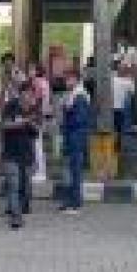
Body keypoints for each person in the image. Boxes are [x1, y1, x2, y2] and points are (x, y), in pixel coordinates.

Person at [1, 80, 39, 228]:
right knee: (13, 184)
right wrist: (22, 122)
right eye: (27, 93)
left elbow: (37, 131)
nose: (29, 96)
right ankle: (16, 217)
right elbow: (4, 125)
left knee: (25, 186)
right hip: (11, 153)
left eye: (31, 93)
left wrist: (31, 124)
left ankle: (18, 207)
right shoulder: (11, 106)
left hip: (27, 153)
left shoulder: (34, 108)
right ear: (21, 93)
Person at [59, 68, 91, 215]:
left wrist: (67, 110)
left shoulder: (80, 96)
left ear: (76, 80)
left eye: (69, 79)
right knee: (68, 170)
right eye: (66, 79)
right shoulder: (71, 96)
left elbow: (80, 120)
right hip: (70, 136)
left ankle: (75, 202)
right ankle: (68, 201)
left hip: (76, 137)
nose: (66, 82)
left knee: (75, 170)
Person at [31, 65, 52, 182]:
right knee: (37, 143)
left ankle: (40, 170)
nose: (30, 72)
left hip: (38, 116)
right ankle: (39, 170)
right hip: (41, 116)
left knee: (37, 144)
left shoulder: (38, 83)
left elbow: (37, 100)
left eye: (32, 69)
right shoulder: (45, 83)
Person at [112, 61, 134, 147]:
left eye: (123, 68)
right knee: (115, 129)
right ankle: (115, 146)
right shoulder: (112, 79)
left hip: (121, 109)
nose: (121, 69)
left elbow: (133, 94)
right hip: (112, 108)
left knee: (119, 129)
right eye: (120, 67)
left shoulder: (128, 81)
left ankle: (117, 147)